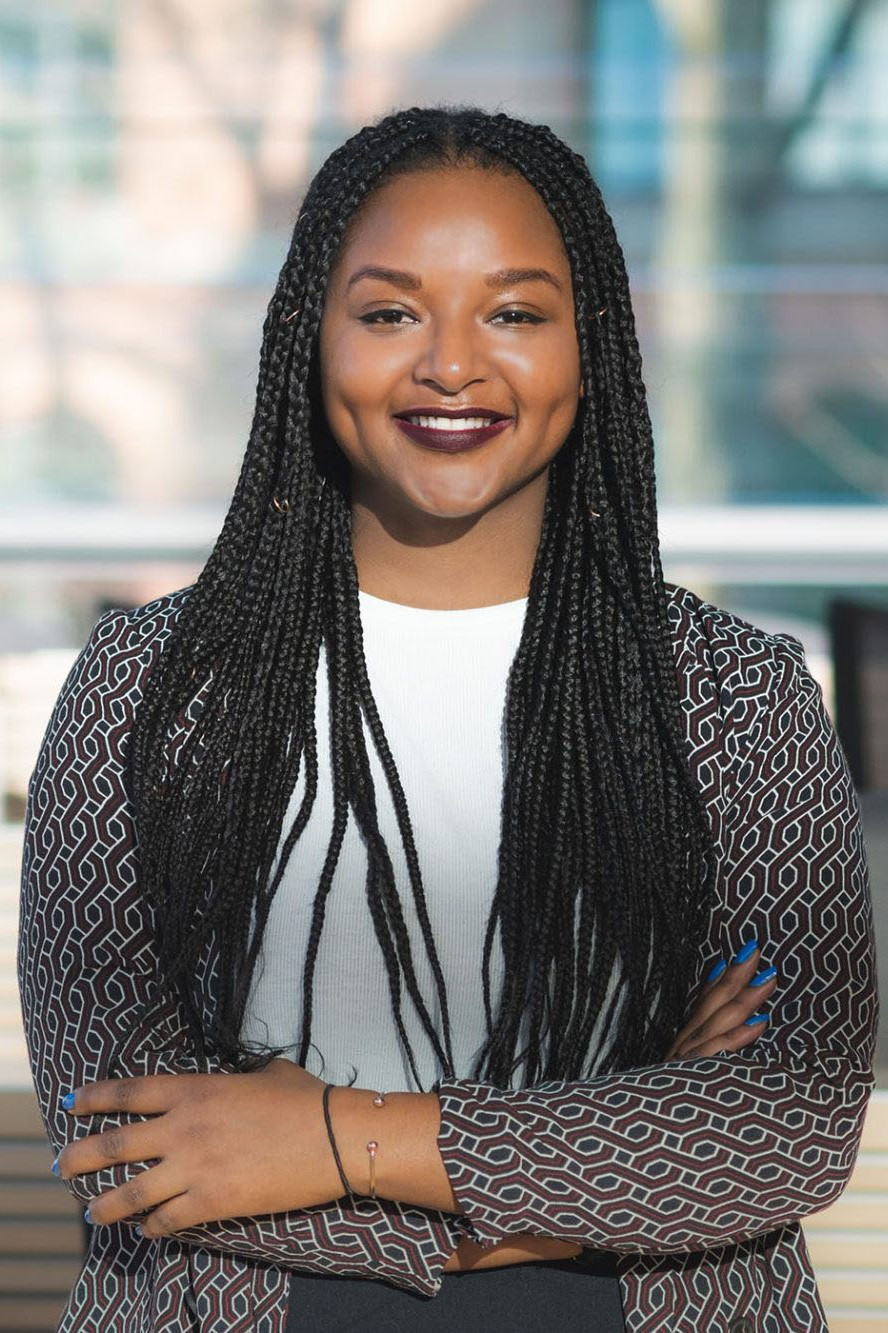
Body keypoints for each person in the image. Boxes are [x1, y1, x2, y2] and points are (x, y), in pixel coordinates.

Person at [18, 105, 877, 1333]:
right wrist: (611, 1165)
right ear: (309, 341)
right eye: (389, 312)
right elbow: (126, 1138)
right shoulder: (149, 694)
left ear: (594, 349)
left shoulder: (736, 699)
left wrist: (321, 1135)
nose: (454, 366)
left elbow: (785, 1126)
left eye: (515, 313)